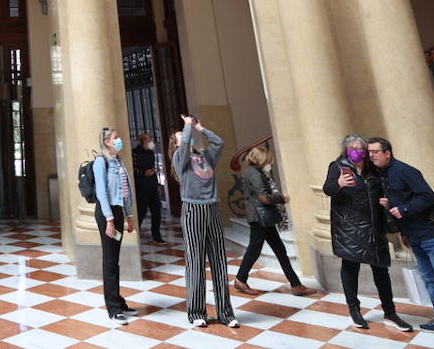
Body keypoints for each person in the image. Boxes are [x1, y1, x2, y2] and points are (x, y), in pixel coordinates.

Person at [371, 138, 434, 347]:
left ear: (387, 153)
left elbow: (427, 196)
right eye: (370, 152)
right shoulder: (383, 174)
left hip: (430, 234)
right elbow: (401, 200)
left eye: (376, 151)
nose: (372, 155)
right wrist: (400, 225)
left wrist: (404, 209)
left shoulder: (404, 170)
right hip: (413, 235)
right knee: (430, 280)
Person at [323, 134, 411, 332]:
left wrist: (386, 203)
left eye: (359, 148)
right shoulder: (338, 167)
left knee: (381, 269)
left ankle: (390, 312)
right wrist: (339, 184)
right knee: (350, 266)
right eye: (352, 148)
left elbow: (384, 191)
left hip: (374, 226)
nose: (356, 152)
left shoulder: (374, 169)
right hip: (349, 228)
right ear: (346, 150)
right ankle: (354, 309)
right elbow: (328, 189)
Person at [172, 115, 236, 328]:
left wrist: (201, 128)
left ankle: (225, 313)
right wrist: (187, 126)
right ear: (177, 144)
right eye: (182, 136)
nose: (187, 136)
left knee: (219, 261)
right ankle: (197, 312)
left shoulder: (204, 157)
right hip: (193, 210)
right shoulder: (179, 158)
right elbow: (184, 144)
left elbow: (220, 143)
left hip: (212, 208)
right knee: (195, 261)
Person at [232, 144, 311, 297]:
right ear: (260, 159)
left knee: (279, 250)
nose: (269, 163)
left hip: (261, 217)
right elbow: (264, 198)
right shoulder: (255, 173)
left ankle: (296, 285)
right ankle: (240, 280)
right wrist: (282, 198)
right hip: (260, 217)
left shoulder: (251, 171)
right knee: (255, 249)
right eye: (267, 160)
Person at [93, 126, 136, 325]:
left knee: (115, 260)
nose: (119, 140)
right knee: (110, 260)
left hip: (118, 211)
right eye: (116, 137)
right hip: (106, 213)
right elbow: (102, 192)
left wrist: (129, 216)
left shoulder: (118, 161)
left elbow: (125, 190)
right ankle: (113, 308)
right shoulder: (100, 162)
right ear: (107, 141)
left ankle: (118, 301)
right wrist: (109, 219)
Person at [132, 133, 165, 243]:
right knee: (141, 211)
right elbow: (133, 169)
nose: (151, 141)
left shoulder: (151, 153)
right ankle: (136, 233)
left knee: (157, 211)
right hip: (141, 187)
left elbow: (153, 170)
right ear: (143, 141)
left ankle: (156, 235)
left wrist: (158, 185)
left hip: (152, 186)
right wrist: (143, 173)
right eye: (149, 139)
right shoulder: (135, 153)